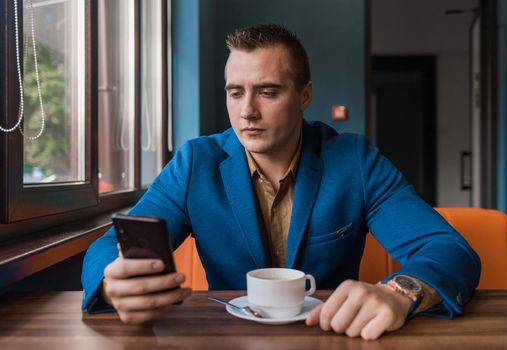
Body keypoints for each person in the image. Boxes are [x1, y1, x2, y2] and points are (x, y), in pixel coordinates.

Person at [82, 24, 480, 340]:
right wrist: (112, 283)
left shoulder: (353, 160)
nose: (247, 111)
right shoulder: (194, 163)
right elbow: (108, 249)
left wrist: (400, 293)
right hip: (227, 341)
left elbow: (448, 249)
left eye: (267, 92)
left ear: (304, 96)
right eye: (235, 93)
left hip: (330, 337)